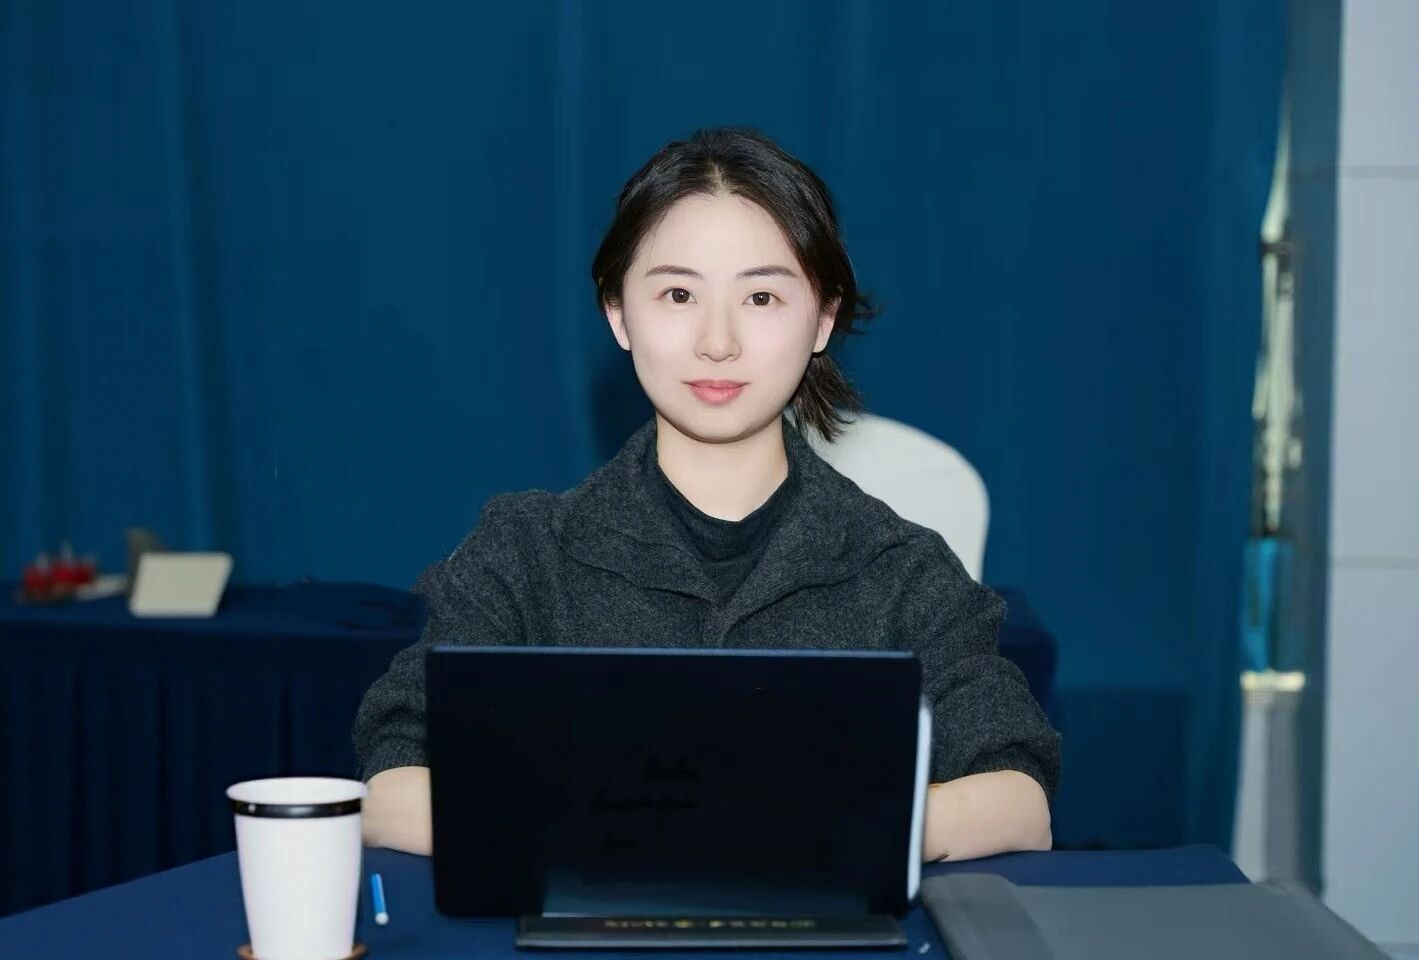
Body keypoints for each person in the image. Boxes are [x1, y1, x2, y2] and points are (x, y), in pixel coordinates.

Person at [353, 126, 1060, 862]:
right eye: (679, 294)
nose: (717, 341)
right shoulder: (522, 555)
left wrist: (801, 822)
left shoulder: (904, 571)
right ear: (618, 314)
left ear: (823, 319)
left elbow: (1020, 800)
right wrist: (645, 822)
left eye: (761, 297)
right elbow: (392, 779)